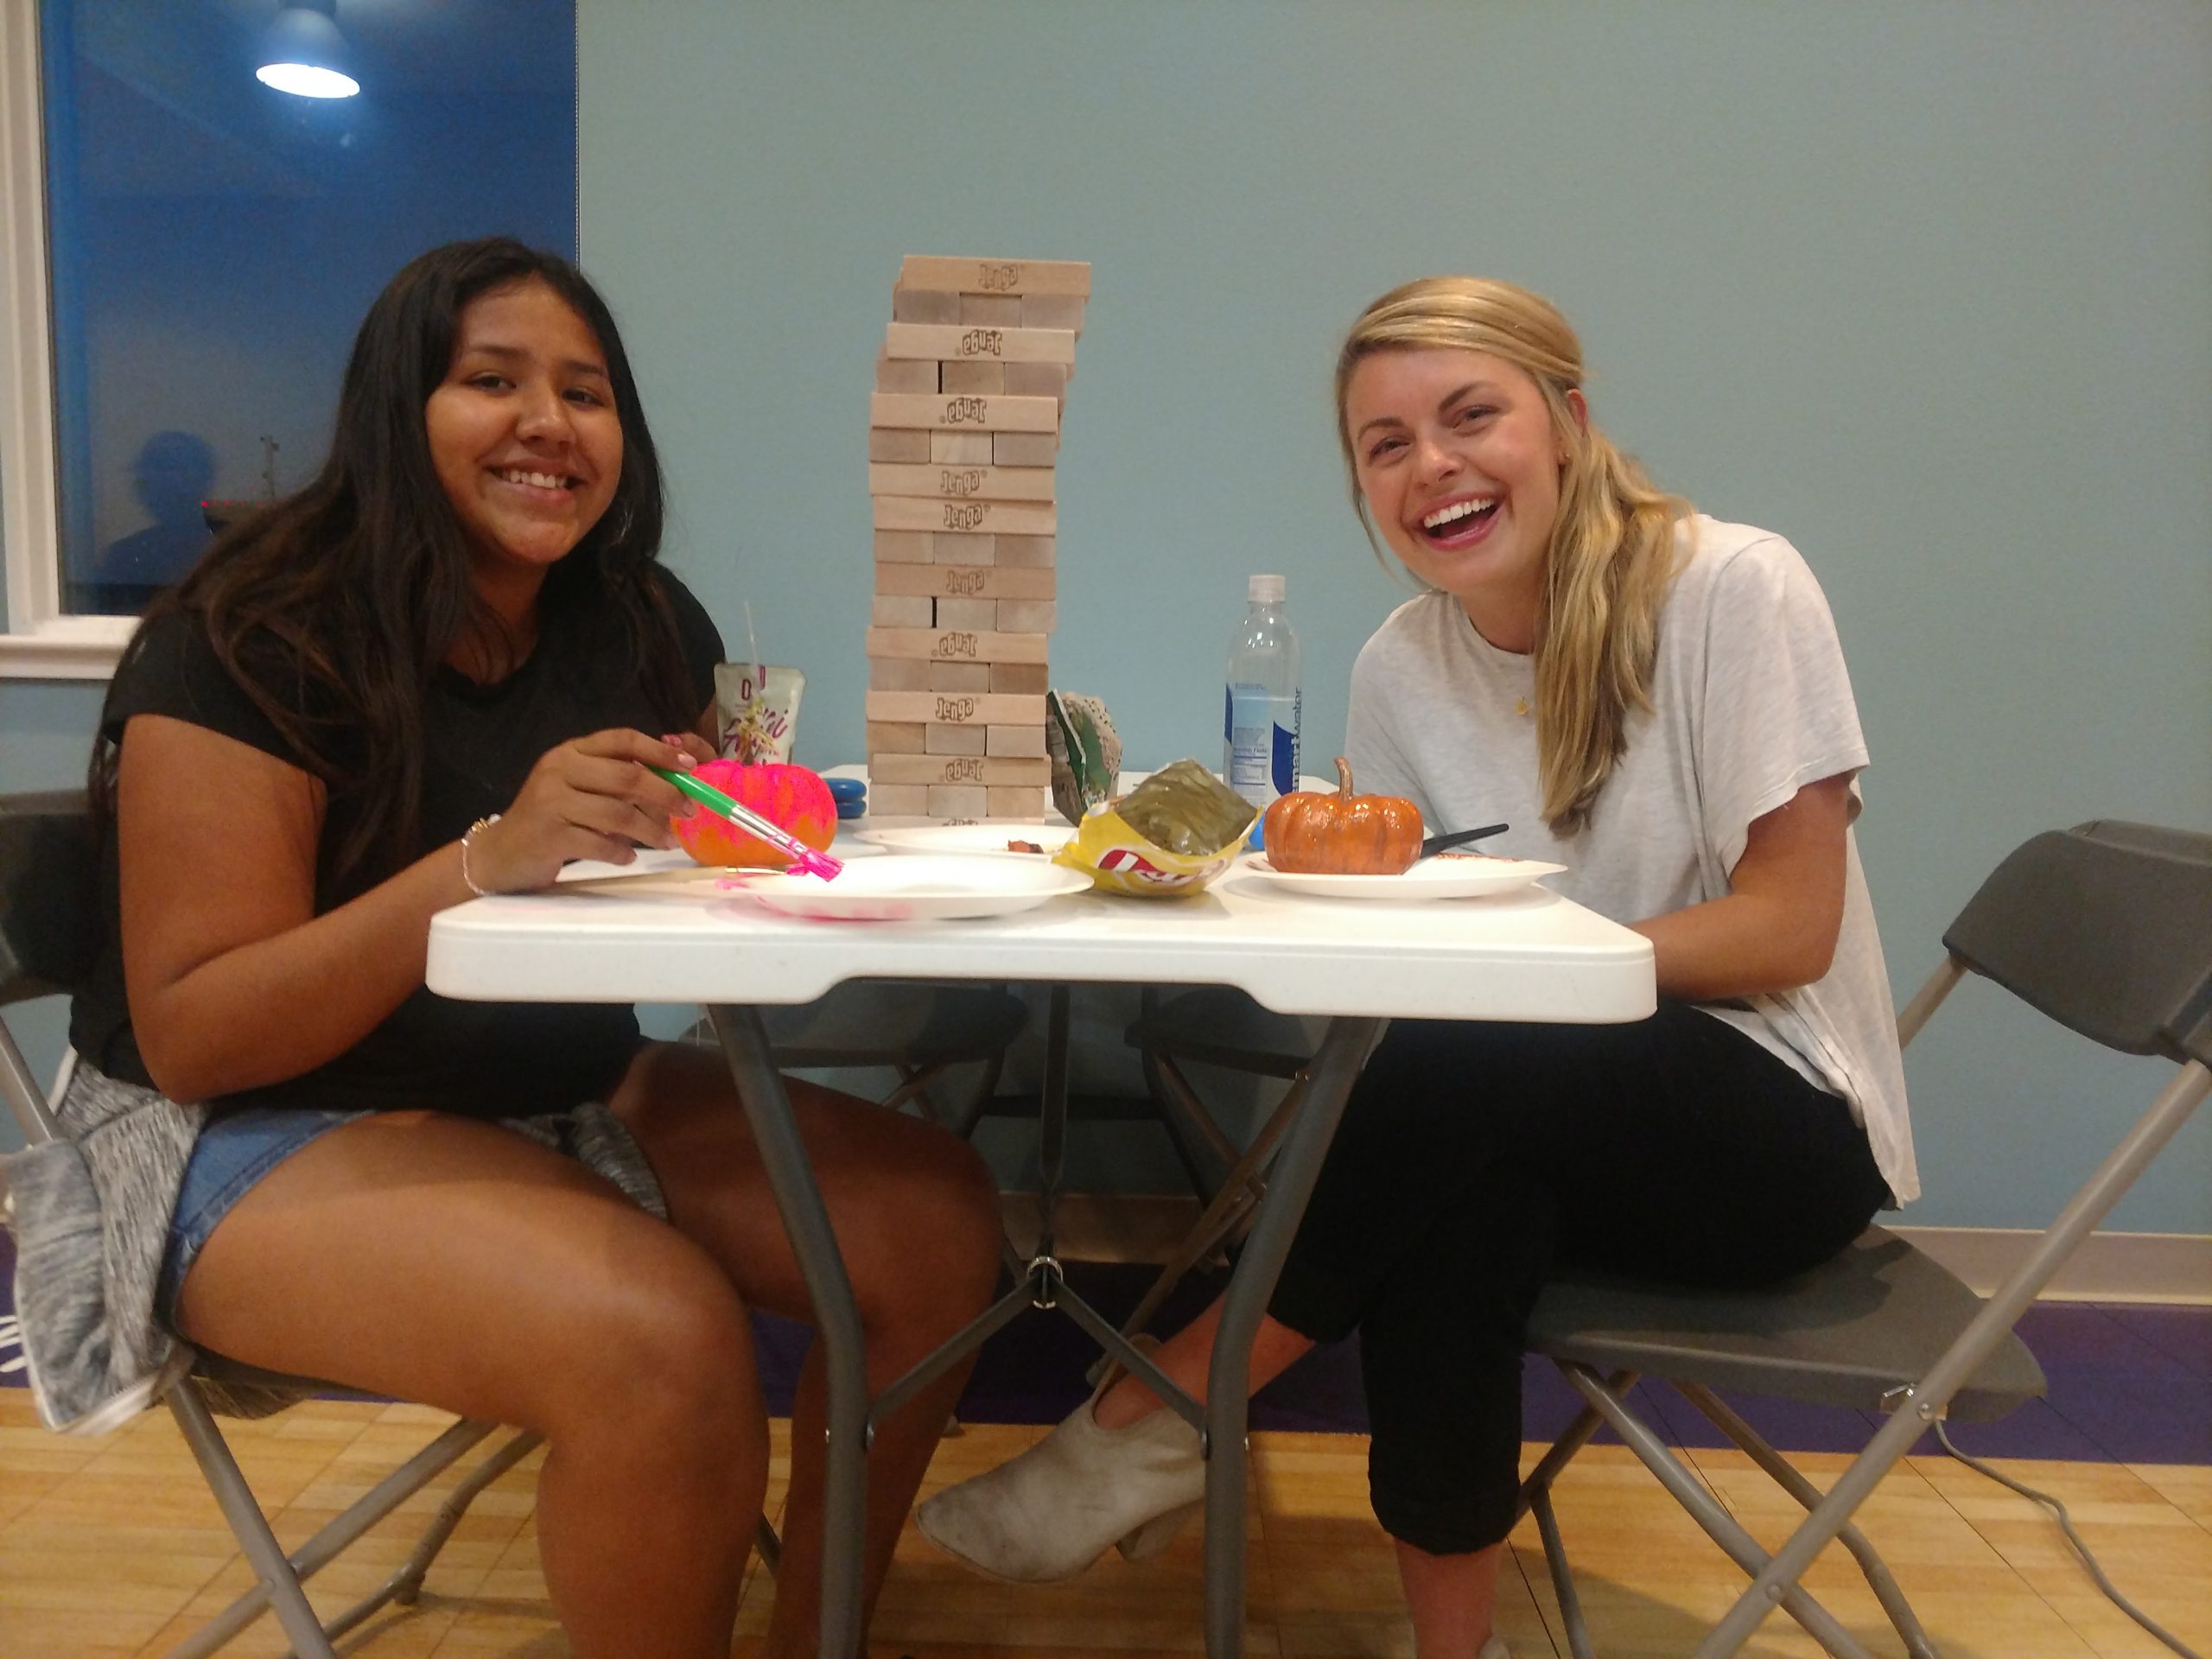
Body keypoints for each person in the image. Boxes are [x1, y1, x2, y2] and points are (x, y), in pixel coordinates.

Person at [915, 276, 1916, 1659]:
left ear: (1567, 422)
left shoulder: (1734, 589)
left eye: (1470, 416)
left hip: (1776, 1123)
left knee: (1470, 1057)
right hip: (1530, 1119)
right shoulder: (1402, 664)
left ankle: (1161, 1409)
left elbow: (1789, 929)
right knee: (1454, 1196)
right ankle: (1454, 1646)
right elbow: (1406, 937)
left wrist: (1538, 977)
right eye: (1385, 445)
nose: (1431, 465)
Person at [51, 237, 1005, 1659]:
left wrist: (737, 823)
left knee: (936, 1225)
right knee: (657, 1339)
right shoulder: (246, 638)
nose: (549, 423)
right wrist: (482, 860)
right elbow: (197, 1033)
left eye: (586, 392)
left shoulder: (636, 620)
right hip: (233, 1137)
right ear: (399, 408)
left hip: (545, 1084)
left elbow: (691, 856)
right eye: (493, 381)